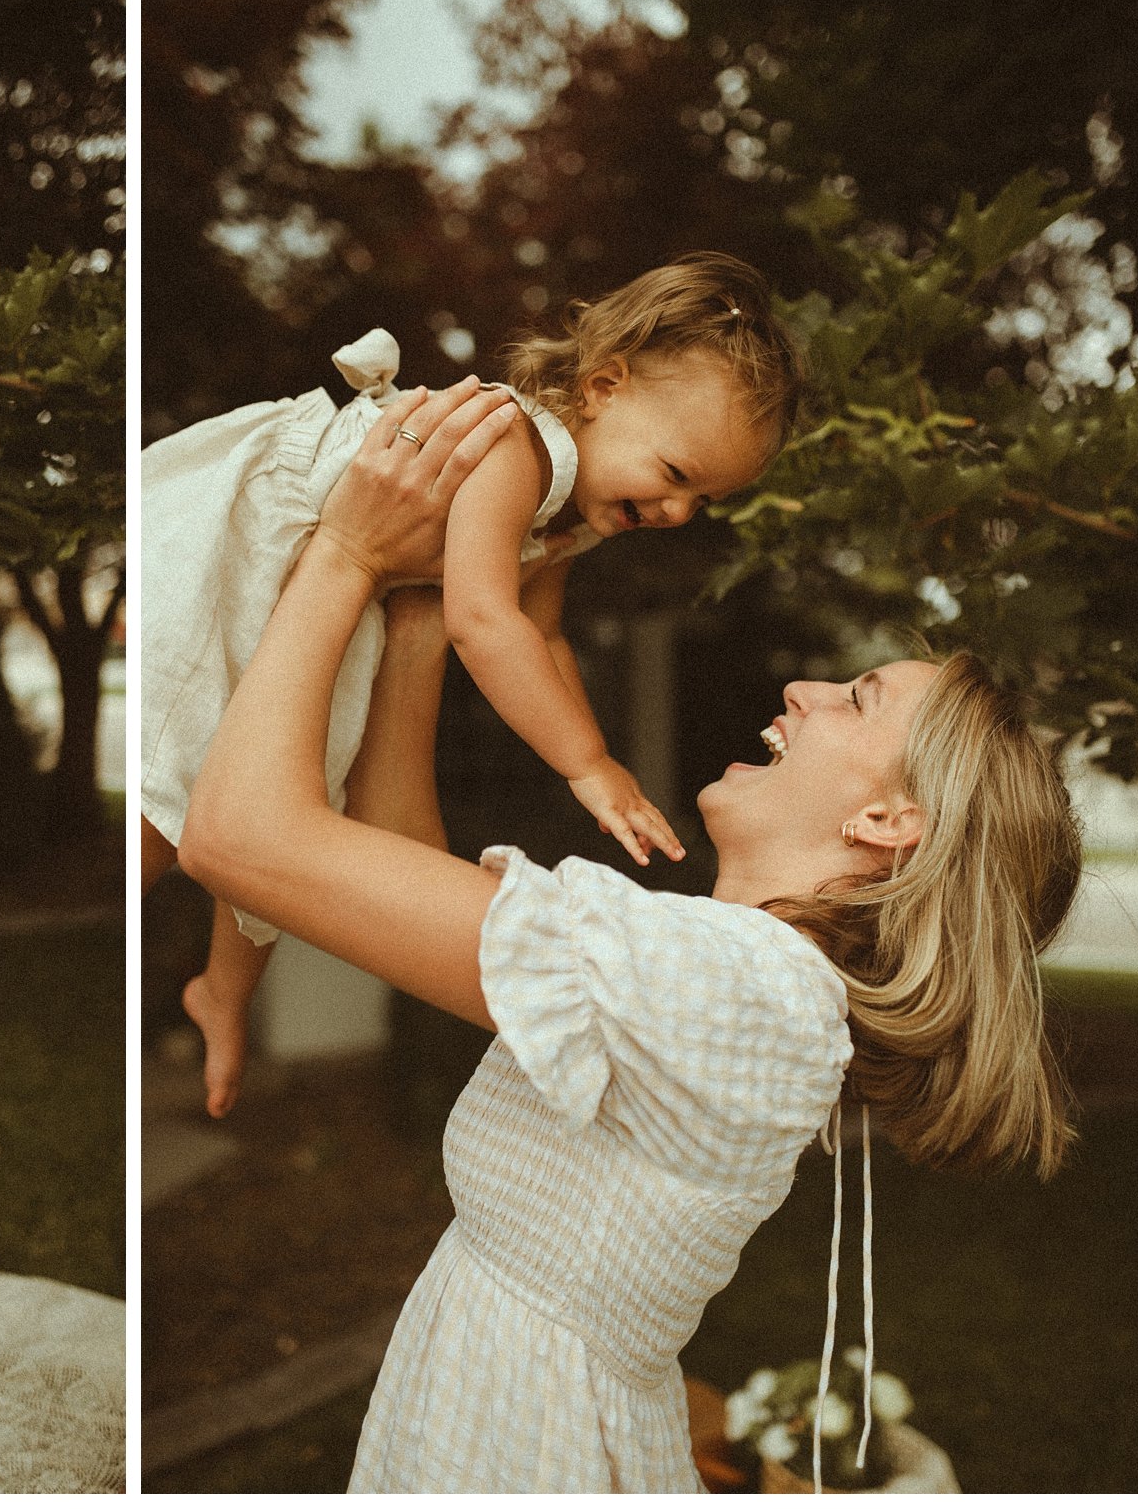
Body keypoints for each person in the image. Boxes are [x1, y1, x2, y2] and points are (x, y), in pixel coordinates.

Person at [177, 382, 1080, 1493]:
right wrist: (421, 609)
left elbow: (236, 837)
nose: (799, 688)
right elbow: (397, 863)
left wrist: (345, 555)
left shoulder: (731, 987)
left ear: (888, 822)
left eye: (854, 697)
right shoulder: (731, 977)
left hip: (517, 1445)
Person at [144, 253, 802, 1117]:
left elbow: (544, 635)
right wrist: (587, 763)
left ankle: (222, 995)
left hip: (334, 590)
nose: (679, 514)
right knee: (178, 761)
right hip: (259, 539)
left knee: (300, 781)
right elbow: (483, 620)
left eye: (704, 499)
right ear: (601, 387)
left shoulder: (570, 518)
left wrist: (588, 751)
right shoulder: (515, 445)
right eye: (677, 475)